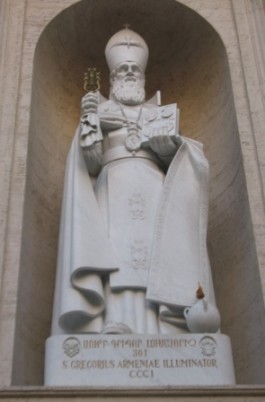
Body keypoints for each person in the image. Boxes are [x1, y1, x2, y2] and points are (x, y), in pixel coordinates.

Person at [51, 28, 216, 336]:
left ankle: (162, 329)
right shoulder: (98, 111)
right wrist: (89, 123)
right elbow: (89, 163)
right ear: (112, 79)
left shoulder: (160, 114)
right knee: (116, 259)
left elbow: (180, 163)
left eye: (134, 70)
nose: (129, 74)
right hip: (111, 188)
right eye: (122, 70)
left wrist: (170, 148)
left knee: (156, 258)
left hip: (155, 191)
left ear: (142, 77)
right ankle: (116, 320)